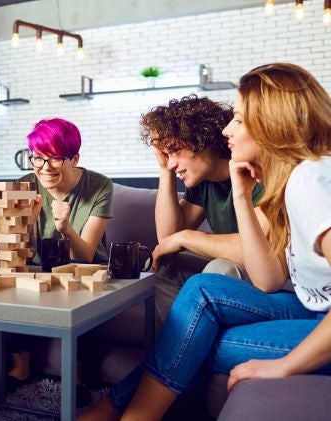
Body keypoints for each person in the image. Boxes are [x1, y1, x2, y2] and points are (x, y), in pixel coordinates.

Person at [80, 62, 331, 421]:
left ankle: (116, 411)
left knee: (193, 340)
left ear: (273, 123)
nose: (228, 128)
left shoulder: (311, 180)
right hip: (308, 307)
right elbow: (269, 279)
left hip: (313, 315)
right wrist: (241, 196)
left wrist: (285, 365)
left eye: (241, 119)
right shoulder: (286, 180)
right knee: (201, 293)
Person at [7, 118, 113, 401]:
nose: (44, 168)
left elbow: (86, 254)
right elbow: (17, 251)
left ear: (74, 158)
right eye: (37, 159)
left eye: (54, 159)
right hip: (37, 269)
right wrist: (27, 222)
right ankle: (21, 367)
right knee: (9, 287)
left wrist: (66, 228)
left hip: (84, 268)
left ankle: (79, 376)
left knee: (82, 294)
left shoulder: (99, 185)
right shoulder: (24, 185)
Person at [140, 94, 265, 324]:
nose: (171, 162)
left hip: (265, 277)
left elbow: (255, 250)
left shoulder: (257, 172)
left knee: (220, 269)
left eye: (175, 150)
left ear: (203, 139)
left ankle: (192, 345)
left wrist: (188, 237)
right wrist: (165, 170)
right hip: (236, 276)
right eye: (166, 155)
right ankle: (191, 339)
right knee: (162, 265)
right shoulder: (205, 182)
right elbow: (167, 238)